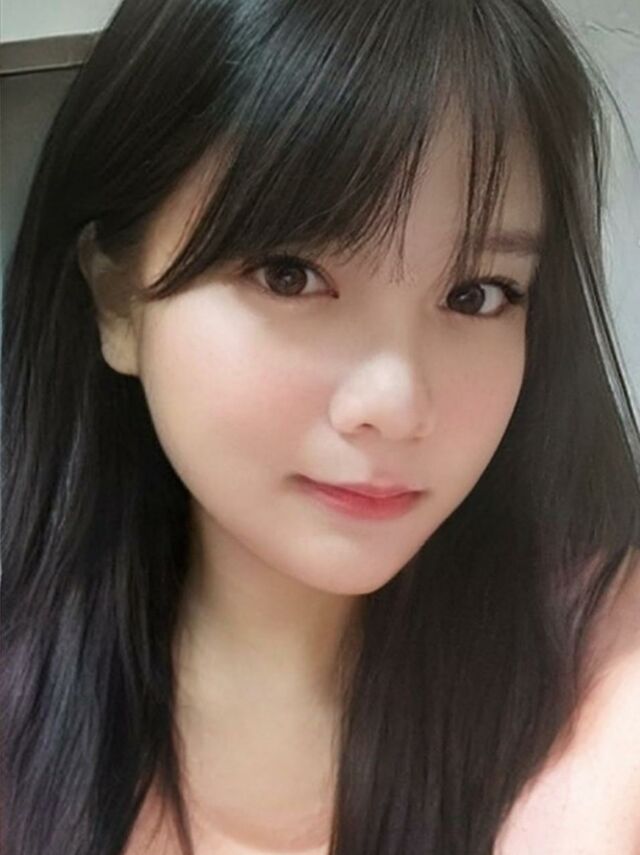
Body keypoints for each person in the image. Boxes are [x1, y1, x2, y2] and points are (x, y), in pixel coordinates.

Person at [2, 0, 639, 853]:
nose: (397, 401)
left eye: (476, 293)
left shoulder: (602, 678)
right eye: (290, 274)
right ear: (119, 299)